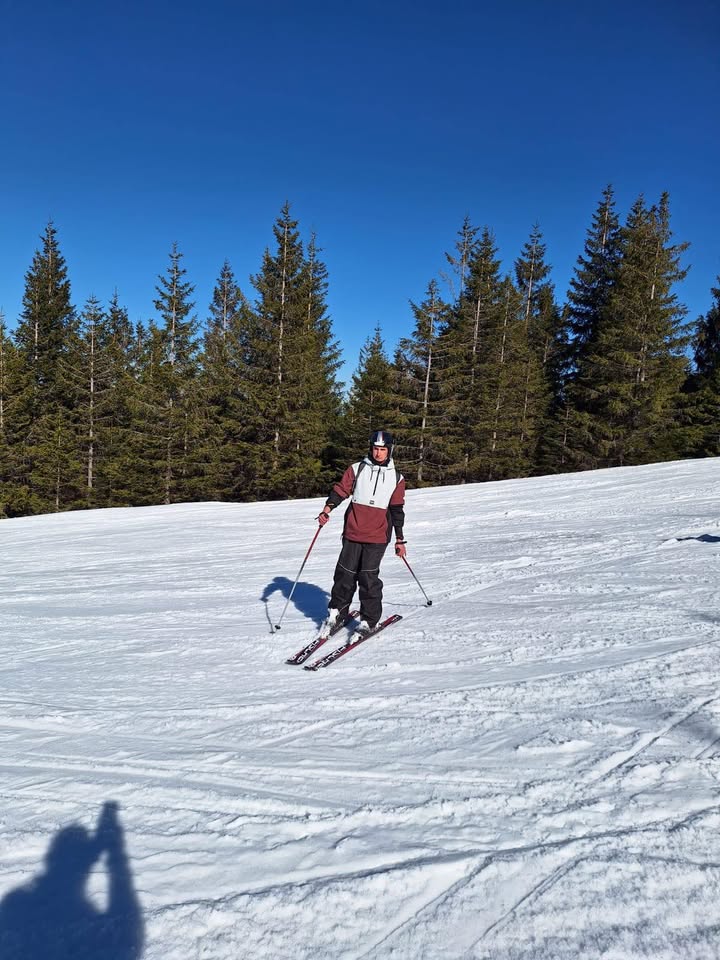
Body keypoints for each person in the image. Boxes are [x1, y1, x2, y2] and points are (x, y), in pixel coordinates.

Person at [317, 429, 406, 636]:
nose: (378, 453)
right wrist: (327, 509)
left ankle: (369, 620)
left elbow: (397, 510)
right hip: (353, 532)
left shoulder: (397, 478)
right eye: (375, 448)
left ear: (389, 450)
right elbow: (341, 490)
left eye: (382, 449)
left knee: (368, 578)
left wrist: (400, 540)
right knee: (344, 576)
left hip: (377, 536)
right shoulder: (357, 469)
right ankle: (336, 613)